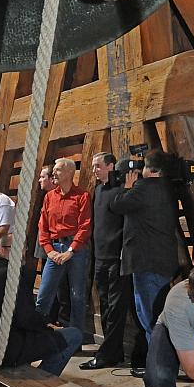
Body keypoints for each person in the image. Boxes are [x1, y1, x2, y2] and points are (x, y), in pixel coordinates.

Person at [0, 239, 82, 375]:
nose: (23, 253)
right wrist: (47, 328)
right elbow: (26, 318)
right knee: (73, 335)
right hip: (1, 349)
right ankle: (42, 379)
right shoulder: (9, 277)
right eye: (19, 248)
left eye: (24, 248)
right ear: (1, 250)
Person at [110, 150, 179, 352]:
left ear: (150, 169)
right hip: (164, 261)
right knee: (158, 315)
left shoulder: (144, 187)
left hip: (146, 263)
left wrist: (127, 186)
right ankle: (160, 367)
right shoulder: (168, 188)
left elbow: (117, 205)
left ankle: (158, 370)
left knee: (149, 318)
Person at [80, 153, 128, 370]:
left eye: (98, 166)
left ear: (110, 166)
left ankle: (108, 353)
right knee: (106, 306)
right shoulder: (98, 191)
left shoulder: (121, 192)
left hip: (117, 258)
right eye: (92, 167)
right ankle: (112, 352)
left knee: (116, 309)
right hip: (100, 257)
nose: (94, 170)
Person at [36, 158, 91, 334]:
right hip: (55, 249)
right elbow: (42, 226)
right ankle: (36, 334)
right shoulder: (49, 197)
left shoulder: (82, 196)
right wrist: (49, 250)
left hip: (76, 250)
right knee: (44, 294)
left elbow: (85, 226)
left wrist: (71, 250)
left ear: (69, 173)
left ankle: (75, 338)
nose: (54, 173)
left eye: (58, 170)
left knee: (77, 296)